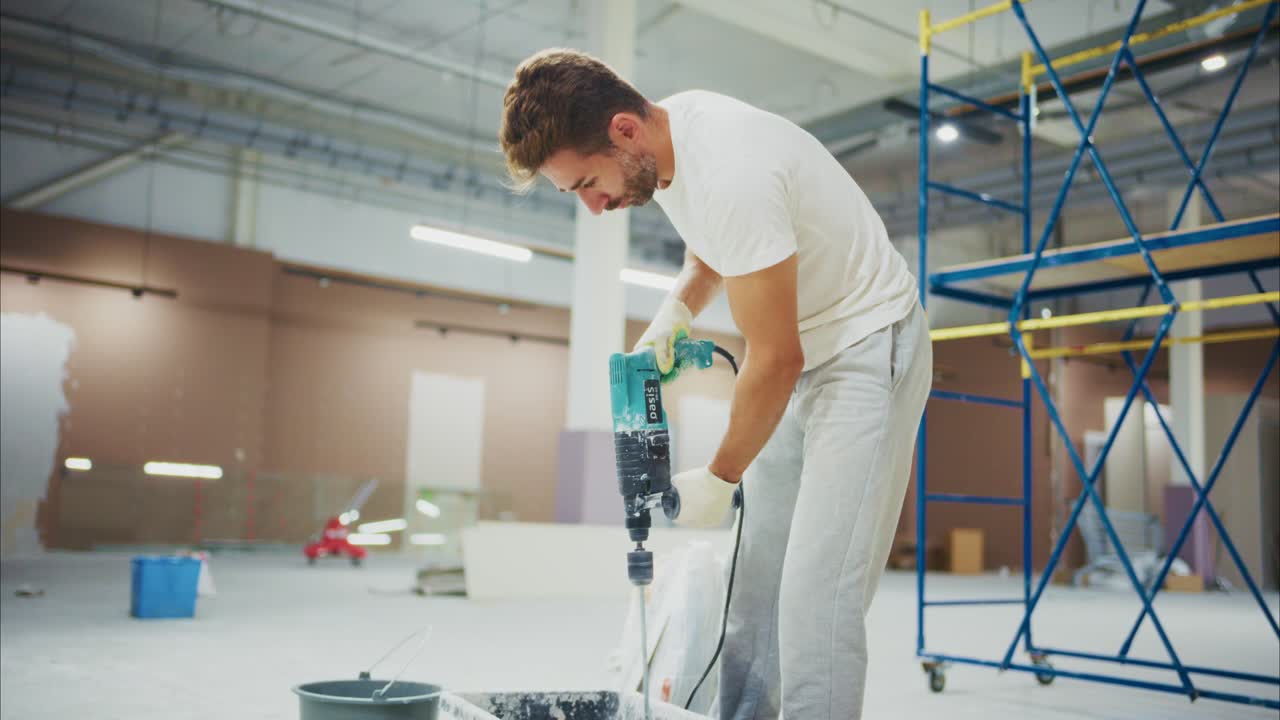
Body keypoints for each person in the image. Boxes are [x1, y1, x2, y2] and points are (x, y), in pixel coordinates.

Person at [499, 49, 933, 720]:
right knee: (752, 587)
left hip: (869, 348)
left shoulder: (733, 168)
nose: (594, 206)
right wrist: (677, 308)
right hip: (808, 351)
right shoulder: (673, 136)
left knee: (817, 599)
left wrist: (724, 475)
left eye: (587, 182)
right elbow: (713, 244)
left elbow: (775, 358)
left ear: (623, 130)